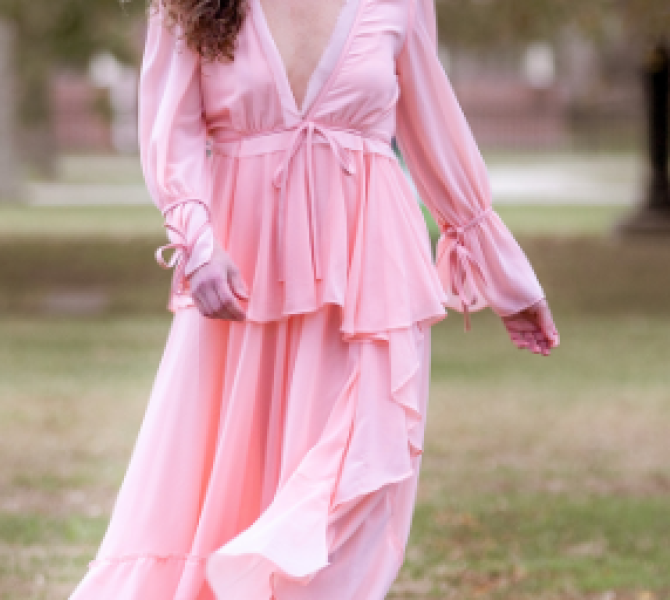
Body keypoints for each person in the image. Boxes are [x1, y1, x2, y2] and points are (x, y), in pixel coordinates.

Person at [69, 0, 559, 597]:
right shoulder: (190, 5)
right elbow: (169, 129)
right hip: (242, 280)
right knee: (229, 491)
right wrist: (196, 245)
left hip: (370, 285)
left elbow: (435, 132)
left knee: (352, 484)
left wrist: (505, 278)